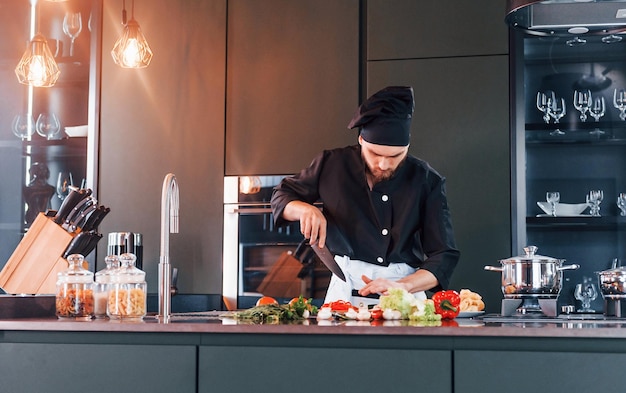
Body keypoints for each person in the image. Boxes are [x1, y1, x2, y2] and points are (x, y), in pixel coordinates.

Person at [271, 86, 460, 305]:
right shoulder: (332, 164)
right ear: (361, 140)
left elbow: (443, 256)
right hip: (344, 293)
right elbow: (282, 194)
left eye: (395, 156)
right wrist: (305, 208)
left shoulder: (427, 180)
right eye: (375, 153)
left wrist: (404, 285)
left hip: (404, 294)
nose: (383, 164)